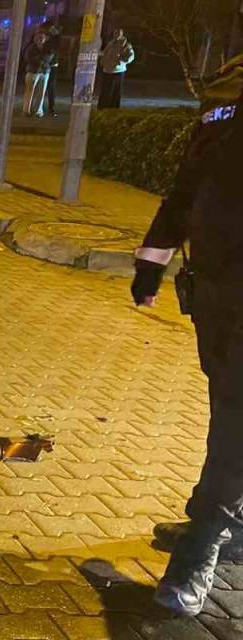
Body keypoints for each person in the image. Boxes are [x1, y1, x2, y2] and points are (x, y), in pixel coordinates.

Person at [131, 86, 243, 616]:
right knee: (228, 407)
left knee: (237, 419)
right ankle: (227, 523)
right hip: (218, 293)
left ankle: (205, 542)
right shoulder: (228, 91)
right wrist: (153, 259)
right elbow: (188, 186)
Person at [99, 28, 135, 109]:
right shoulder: (111, 43)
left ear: (121, 34)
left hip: (117, 71)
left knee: (115, 92)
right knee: (105, 91)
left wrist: (119, 61)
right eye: (115, 33)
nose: (116, 35)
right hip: (107, 70)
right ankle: (103, 107)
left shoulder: (125, 44)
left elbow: (130, 57)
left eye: (118, 33)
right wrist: (103, 61)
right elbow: (105, 53)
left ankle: (113, 108)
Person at [22, 31, 55, 118]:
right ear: (35, 39)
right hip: (33, 71)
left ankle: (38, 110)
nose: (41, 40)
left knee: (41, 92)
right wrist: (41, 61)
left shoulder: (48, 47)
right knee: (30, 91)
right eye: (39, 38)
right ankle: (26, 110)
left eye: (42, 38)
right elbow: (28, 58)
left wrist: (41, 61)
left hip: (44, 72)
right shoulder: (31, 48)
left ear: (45, 39)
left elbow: (50, 56)